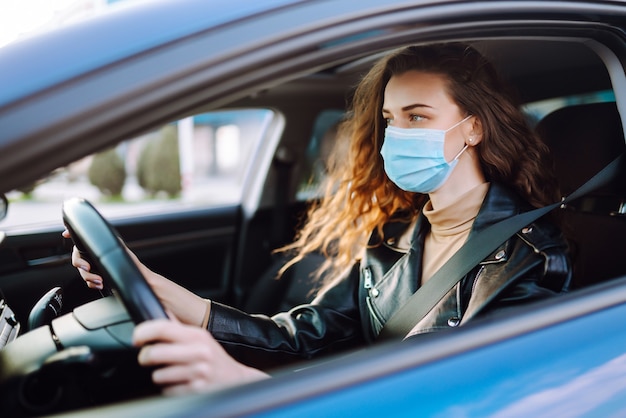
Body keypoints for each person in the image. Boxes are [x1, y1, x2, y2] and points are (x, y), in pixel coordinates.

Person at [64, 42, 571, 395]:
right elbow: (300, 337)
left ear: (473, 128)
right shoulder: (391, 239)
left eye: (417, 116)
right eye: (390, 120)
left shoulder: (531, 260)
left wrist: (246, 387)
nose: (397, 135)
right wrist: (147, 282)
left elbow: (466, 402)